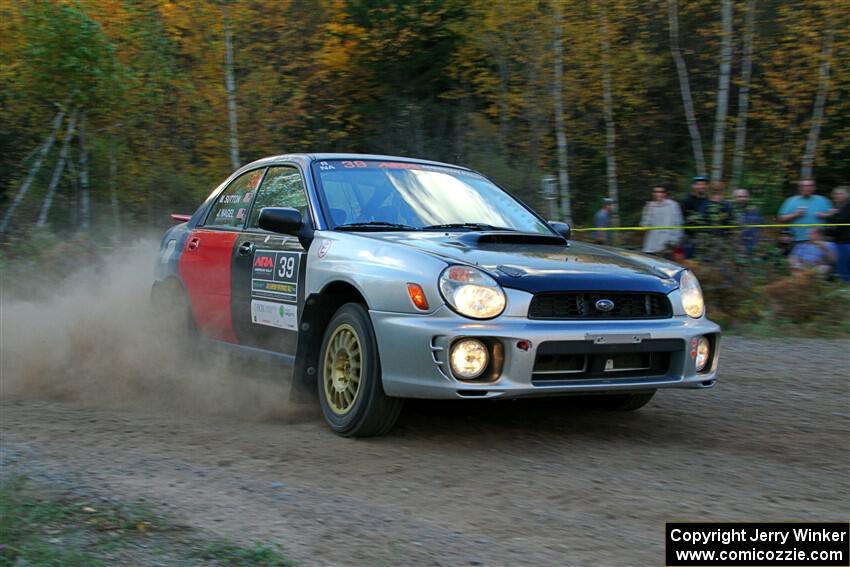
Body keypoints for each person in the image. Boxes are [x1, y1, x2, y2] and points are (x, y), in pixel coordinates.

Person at [778, 179, 832, 243]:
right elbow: (781, 219)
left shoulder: (823, 200)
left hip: (819, 239)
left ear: (814, 187)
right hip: (796, 239)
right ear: (799, 188)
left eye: (810, 185)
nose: (807, 188)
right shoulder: (790, 201)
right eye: (804, 186)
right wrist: (795, 214)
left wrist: (826, 215)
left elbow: (833, 218)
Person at [640, 186, 683, 255]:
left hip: (668, 244)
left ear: (665, 194)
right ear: (653, 194)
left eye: (661, 192)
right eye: (655, 192)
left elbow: (678, 223)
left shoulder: (673, 205)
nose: (658, 194)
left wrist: (675, 240)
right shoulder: (650, 206)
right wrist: (647, 211)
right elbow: (644, 225)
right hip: (652, 245)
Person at [825, 185, 850, 282]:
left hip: (845, 243)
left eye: (839, 193)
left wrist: (830, 216)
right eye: (835, 194)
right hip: (842, 242)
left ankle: (846, 293)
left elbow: (840, 225)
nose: (836, 196)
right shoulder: (842, 208)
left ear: (847, 195)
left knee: (844, 271)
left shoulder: (847, 206)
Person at [680, 175, 709, 257]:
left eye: (703, 184)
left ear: (706, 186)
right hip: (690, 238)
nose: (701, 186)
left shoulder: (708, 201)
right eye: (698, 184)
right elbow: (681, 220)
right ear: (693, 186)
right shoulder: (686, 201)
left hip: (706, 238)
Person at [733, 188, 763, 252]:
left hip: (754, 247)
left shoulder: (755, 211)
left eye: (745, 196)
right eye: (739, 197)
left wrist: (759, 243)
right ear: (734, 198)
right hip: (735, 249)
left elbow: (761, 228)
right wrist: (738, 245)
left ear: (748, 197)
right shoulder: (731, 212)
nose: (742, 199)